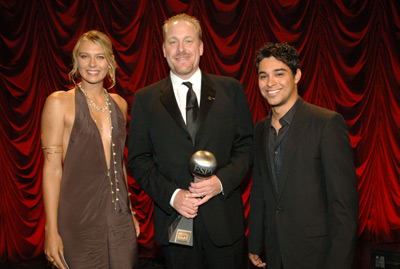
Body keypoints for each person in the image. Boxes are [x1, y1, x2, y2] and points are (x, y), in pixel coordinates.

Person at [127, 13, 253, 269]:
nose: (181, 49)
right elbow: (138, 160)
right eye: (173, 42)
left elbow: (247, 147)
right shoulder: (144, 100)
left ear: (201, 46)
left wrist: (221, 182)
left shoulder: (231, 90)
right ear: (163, 50)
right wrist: (173, 196)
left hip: (225, 225)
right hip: (176, 227)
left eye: (188, 41)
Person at [248, 42, 359, 269]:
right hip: (275, 252)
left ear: (297, 75)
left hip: (317, 255)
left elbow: (343, 207)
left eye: (279, 74)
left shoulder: (326, 123)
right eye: (263, 76)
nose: (270, 83)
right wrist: (255, 243)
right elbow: (260, 190)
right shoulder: (260, 129)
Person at [41, 30, 139, 269]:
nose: (93, 64)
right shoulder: (58, 102)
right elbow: (52, 169)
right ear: (76, 61)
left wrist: (131, 210)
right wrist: (50, 230)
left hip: (119, 218)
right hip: (78, 218)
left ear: (110, 62)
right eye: (85, 57)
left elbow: (119, 164)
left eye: (100, 57)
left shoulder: (120, 104)